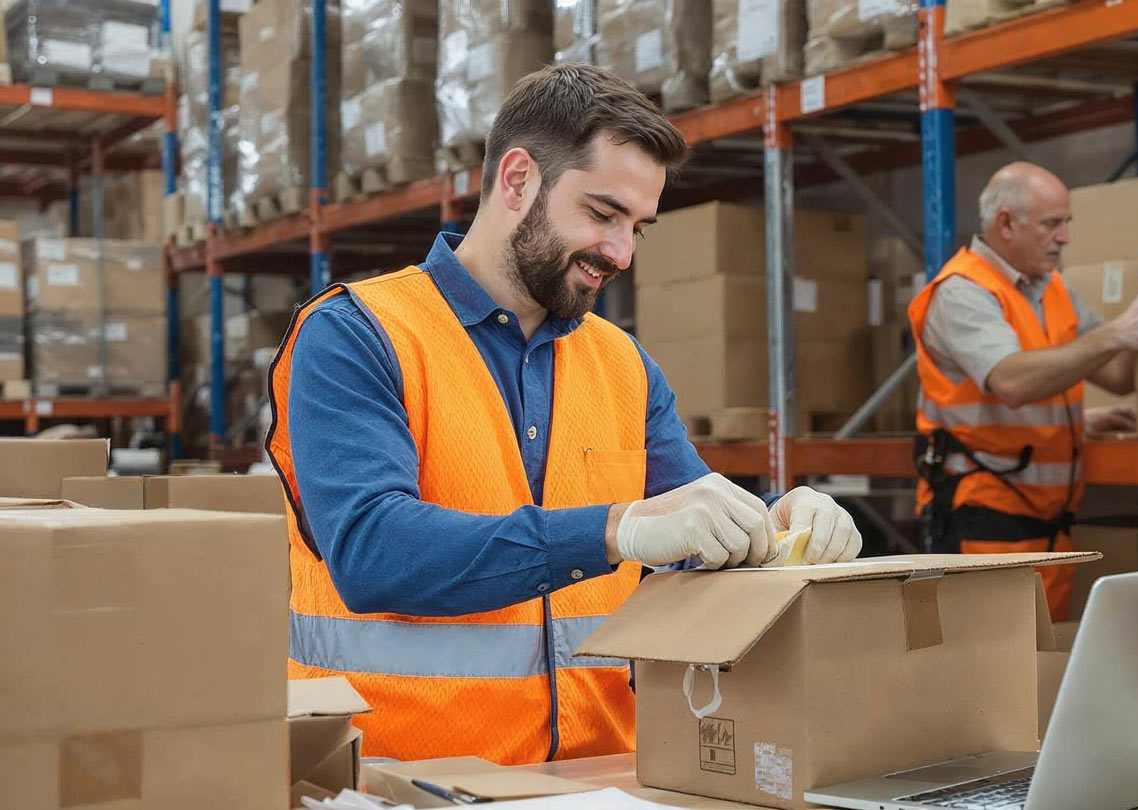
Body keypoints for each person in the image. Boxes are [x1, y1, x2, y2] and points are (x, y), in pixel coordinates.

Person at [265, 64, 862, 766]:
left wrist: (776, 521)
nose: (620, 253)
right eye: (604, 214)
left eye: (639, 227)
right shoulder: (355, 334)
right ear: (517, 181)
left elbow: (687, 525)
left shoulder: (623, 364)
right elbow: (372, 552)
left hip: (599, 775)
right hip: (400, 777)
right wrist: (616, 529)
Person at [908, 162, 1138, 620]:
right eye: (1052, 224)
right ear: (1006, 223)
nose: (1065, 237)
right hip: (985, 523)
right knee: (993, 675)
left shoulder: (1052, 289)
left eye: (1067, 223)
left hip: (1050, 528)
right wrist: (1118, 332)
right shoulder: (963, 291)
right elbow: (1011, 381)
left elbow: (1117, 375)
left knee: (1038, 673)